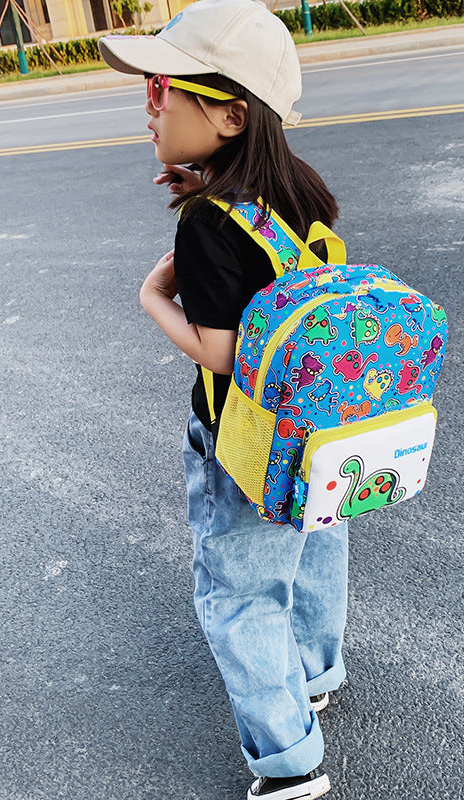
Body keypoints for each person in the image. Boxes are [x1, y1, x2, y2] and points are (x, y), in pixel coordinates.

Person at [99, 2, 348, 798]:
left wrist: (151, 297)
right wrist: (201, 182)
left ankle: (288, 766)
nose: (149, 106)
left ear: (231, 114)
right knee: (311, 559)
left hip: (244, 444)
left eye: (164, 88)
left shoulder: (208, 226)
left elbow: (222, 349)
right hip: (317, 430)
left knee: (238, 595)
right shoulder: (298, 191)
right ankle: (313, 676)